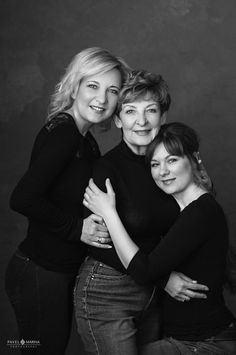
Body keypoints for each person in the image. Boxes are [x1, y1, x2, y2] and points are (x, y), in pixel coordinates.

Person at [5, 47, 130, 355]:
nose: (101, 98)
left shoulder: (82, 137)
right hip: (40, 273)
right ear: (75, 85)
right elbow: (22, 198)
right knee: (38, 350)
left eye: (112, 90)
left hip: (56, 273)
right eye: (93, 85)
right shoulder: (65, 133)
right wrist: (78, 230)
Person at [74, 71, 209, 355]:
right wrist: (163, 278)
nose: (142, 121)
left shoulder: (171, 165)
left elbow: (192, 220)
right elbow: (99, 243)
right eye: (131, 111)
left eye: (151, 111)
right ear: (118, 120)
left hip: (153, 294)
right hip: (108, 291)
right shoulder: (106, 169)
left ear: (163, 116)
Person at [84, 122, 236, 355]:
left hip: (204, 342)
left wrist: (109, 213)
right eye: (155, 164)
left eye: (172, 160)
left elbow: (143, 270)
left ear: (194, 159)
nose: (162, 171)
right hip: (189, 338)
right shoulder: (186, 211)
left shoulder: (200, 213)